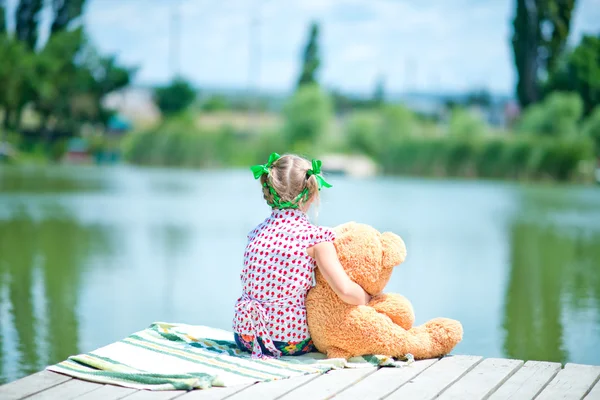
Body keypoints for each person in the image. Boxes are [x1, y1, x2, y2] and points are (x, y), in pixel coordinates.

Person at [232, 152, 371, 359]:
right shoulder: (315, 238)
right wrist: (370, 298)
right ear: (312, 194)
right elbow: (345, 291)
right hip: (289, 341)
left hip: (245, 335)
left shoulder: (255, 233)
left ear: (269, 192)